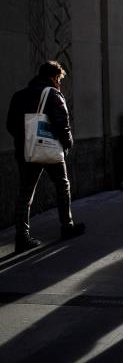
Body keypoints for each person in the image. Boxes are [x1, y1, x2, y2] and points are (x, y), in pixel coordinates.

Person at [6, 60, 85, 252]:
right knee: (62, 186)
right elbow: (62, 124)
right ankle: (67, 226)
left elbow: (10, 125)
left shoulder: (19, 95)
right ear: (54, 76)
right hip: (50, 149)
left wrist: (27, 140)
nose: (59, 82)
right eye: (59, 79)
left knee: (25, 193)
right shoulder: (53, 95)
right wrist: (68, 145)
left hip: (26, 151)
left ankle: (22, 237)